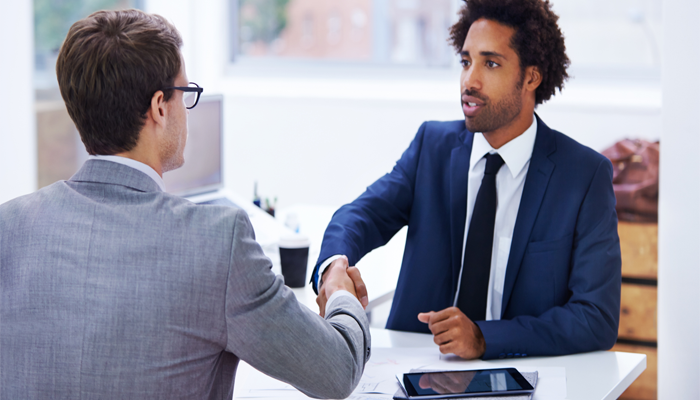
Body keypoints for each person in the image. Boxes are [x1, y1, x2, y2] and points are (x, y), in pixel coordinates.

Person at [0, 9, 370, 399]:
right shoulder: (216, 243)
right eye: (185, 93)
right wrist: (338, 293)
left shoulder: (9, 225)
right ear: (160, 107)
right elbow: (336, 371)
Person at [311, 0, 621, 360]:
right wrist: (334, 267)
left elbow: (596, 317)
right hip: (415, 370)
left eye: (490, 63)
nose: (469, 81)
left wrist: (485, 338)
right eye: (465, 61)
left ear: (531, 77)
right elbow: (361, 215)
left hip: (522, 376)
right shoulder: (432, 148)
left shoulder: (583, 176)